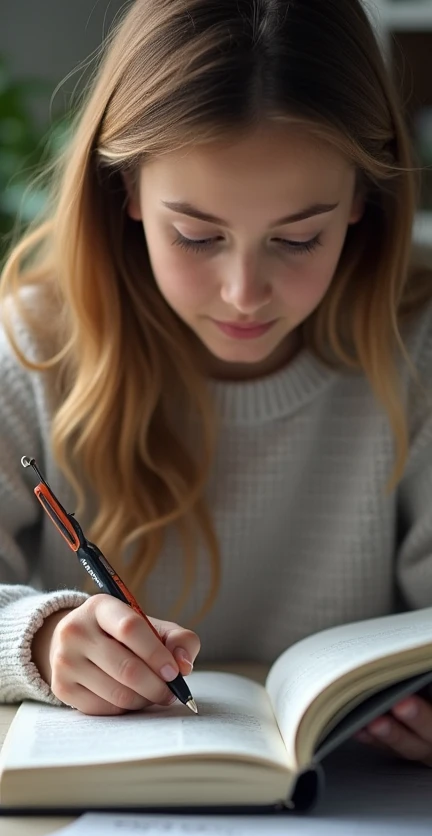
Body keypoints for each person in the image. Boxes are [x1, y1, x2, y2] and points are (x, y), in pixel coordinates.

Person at [1, 0, 432, 766]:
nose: (244, 292)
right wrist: (39, 639)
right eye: (196, 236)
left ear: (364, 202)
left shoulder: (417, 351)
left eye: (299, 238)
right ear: (126, 192)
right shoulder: (32, 349)